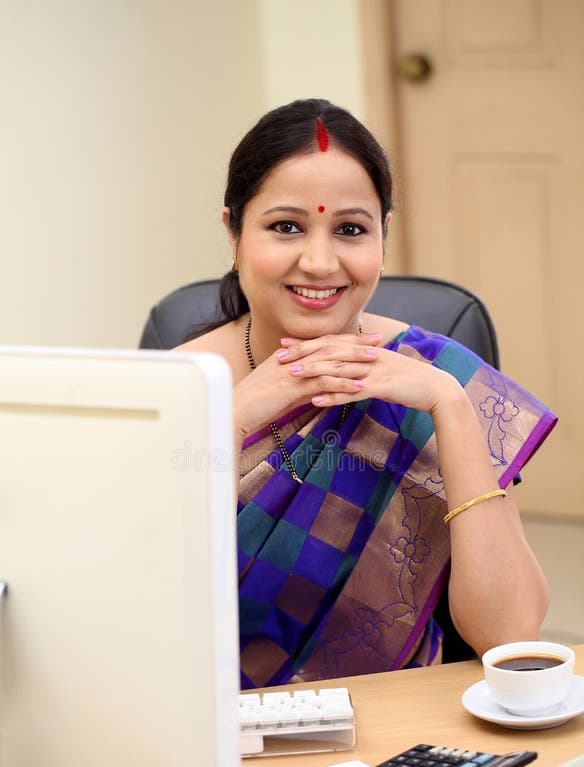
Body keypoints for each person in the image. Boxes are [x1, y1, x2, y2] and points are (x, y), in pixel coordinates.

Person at [176, 98, 557, 689]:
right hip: (219, 728)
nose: (320, 261)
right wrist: (236, 414)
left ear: (383, 235)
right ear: (232, 230)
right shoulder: (172, 389)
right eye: (285, 227)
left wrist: (451, 410)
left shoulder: (437, 374)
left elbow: (511, 637)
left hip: (396, 721)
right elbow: (148, 615)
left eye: (350, 229)